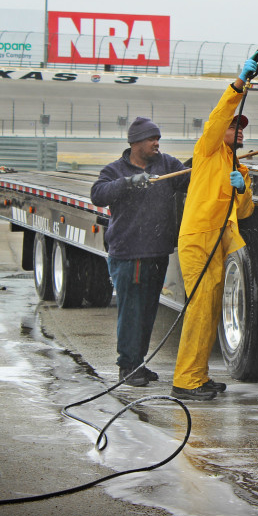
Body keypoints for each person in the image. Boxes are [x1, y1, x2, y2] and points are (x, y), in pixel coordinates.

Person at [172, 58, 257, 400]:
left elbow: (246, 211)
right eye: (234, 126)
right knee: (199, 307)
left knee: (209, 310)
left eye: (242, 128)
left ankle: (199, 375)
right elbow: (218, 115)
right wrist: (239, 83)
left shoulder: (239, 167)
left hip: (218, 244)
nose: (239, 131)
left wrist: (242, 188)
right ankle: (184, 382)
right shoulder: (207, 151)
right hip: (197, 239)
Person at [90, 117, 189, 387]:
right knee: (131, 312)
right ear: (135, 143)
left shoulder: (167, 164)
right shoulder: (115, 170)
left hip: (157, 253)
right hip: (129, 253)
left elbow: (189, 180)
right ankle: (127, 367)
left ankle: (139, 364)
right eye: (151, 139)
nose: (156, 143)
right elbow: (98, 194)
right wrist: (129, 183)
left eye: (158, 138)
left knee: (146, 313)